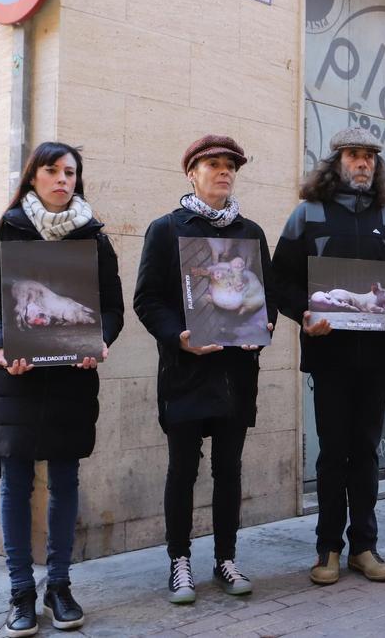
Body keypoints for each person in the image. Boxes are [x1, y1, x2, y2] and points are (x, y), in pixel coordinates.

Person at [0, 142, 124, 636]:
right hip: (15, 381)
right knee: (15, 485)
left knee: (66, 482)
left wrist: (102, 340)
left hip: (72, 378)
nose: (62, 179)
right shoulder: (1, 232)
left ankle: (59, 586)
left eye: (70, 172)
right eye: (52, 170)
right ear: (33, 177)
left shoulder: (94, 239)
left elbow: (110, 307)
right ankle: (20, 593)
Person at [271, 127, 385, 586]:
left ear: (376, 167)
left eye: (369, 158)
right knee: (332, 453)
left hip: (376, 357)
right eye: (353, 156)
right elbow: (280, 281)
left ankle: (364, 546)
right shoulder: (308, 215)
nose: (362, 163)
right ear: (336, 162)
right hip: (328, 356)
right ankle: (328, 550)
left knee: (366, 452)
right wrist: (302, 313)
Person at [134, 134, 276, 604]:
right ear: (191, 173)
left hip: (236, 371)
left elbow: (265, 296)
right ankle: (179, 561)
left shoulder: (250, 234)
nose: (224, 172)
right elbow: (147, 300)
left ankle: (226, 558)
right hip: (186, 371)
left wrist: (265, 323)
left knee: (229, 469)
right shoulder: (166, 229)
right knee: (182, 470)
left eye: (231, 166)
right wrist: (178, 336)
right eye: (213, 164)